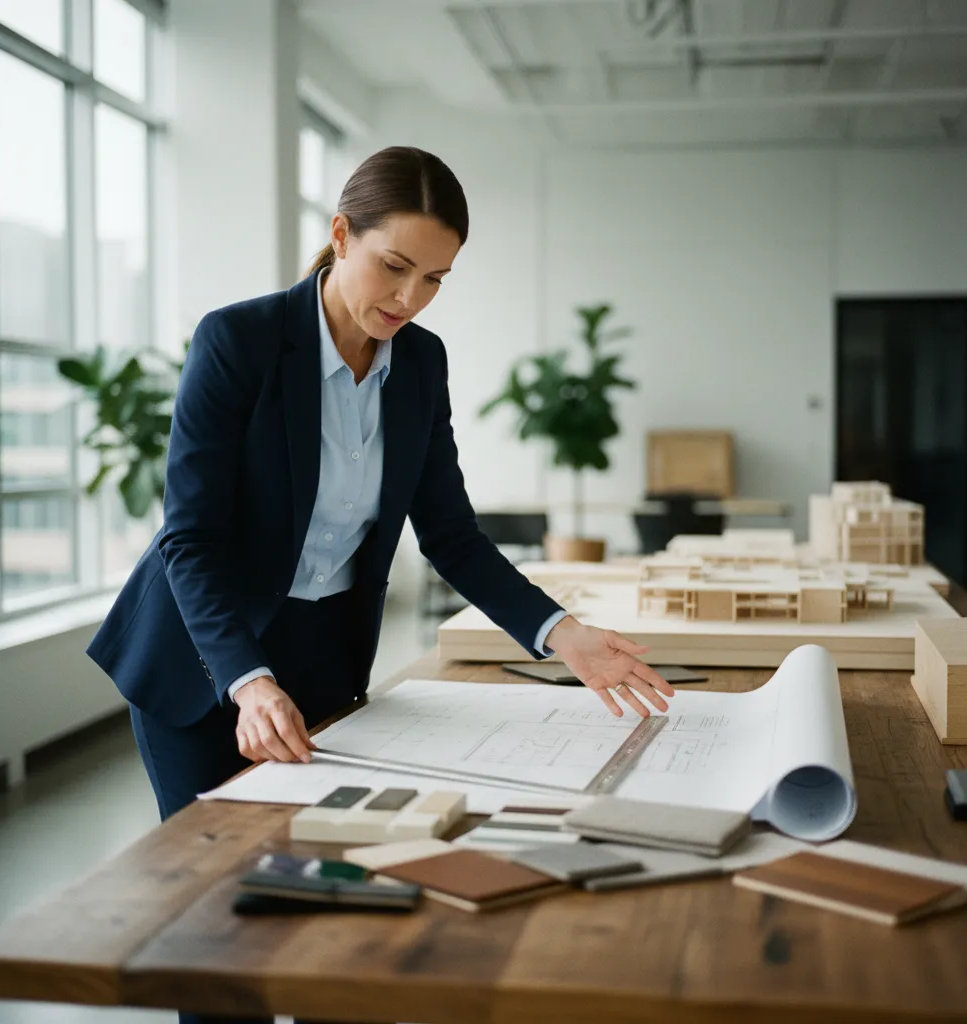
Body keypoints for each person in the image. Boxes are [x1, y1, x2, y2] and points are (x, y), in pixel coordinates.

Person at [87, 146, 675, 1024]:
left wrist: (561, 632)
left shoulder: (421, 365)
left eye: (435, 279)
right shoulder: (240, 340)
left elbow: (452, 536)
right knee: (222, 923)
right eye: (393, 267)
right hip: (202, 659)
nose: (408, 299)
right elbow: (192, 539)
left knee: (339, 899)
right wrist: (247, 682)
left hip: (322, 663)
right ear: (340, 236)